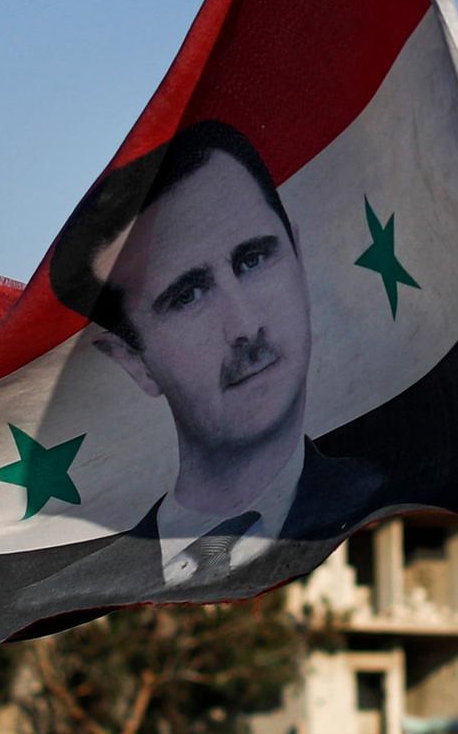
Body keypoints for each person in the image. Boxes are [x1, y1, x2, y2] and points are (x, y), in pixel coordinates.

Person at [49, 119, 381, 594]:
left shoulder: (382, 505)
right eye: (188, 296)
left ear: (300, 259)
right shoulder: (79, 592)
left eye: (253, 260)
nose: (245, 326)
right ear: (133, 361)